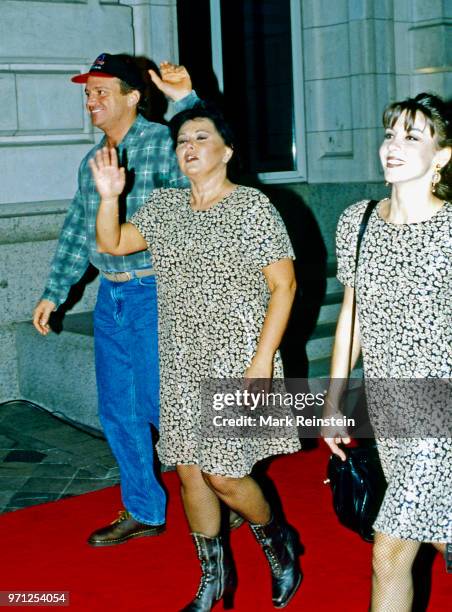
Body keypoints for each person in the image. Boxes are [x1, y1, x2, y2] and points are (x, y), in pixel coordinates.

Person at [91, 103, 303, 610]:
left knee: (223, 474)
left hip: (238, 359)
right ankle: (212, 582)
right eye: (182, 140)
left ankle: (277, 541)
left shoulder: (251, 207)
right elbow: (113, 242)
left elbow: (285, 286)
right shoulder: (164, 209)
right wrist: (108, 198)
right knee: (188, 470)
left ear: (226, 152)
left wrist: (261, 362)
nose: (188, 147)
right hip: (181, 358)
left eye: (201, 138)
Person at [32, 53, 198, 546]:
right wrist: (53, 292)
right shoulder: (93, 161)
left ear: (133, 95)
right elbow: (77, 231)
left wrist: (186, 100)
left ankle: (222, 491)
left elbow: (207, 153)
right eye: (87, 92)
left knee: (165, 407)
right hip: (113, 297)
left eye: (102, 91)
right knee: (118, 410)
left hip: (159, 291)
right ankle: (146, 509)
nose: (91, 100)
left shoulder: (165, 144)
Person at [323, 93, 452, 611]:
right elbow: (350, 318)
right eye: (391, 134)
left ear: (441, 157)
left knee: (390, 550)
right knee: (439, 533)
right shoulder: (357, 222)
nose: (393, 146)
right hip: (387, 409)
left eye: (412, 136)